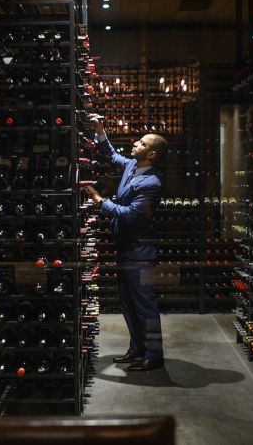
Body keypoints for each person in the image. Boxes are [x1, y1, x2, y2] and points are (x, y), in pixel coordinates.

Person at [85, 116, 168, 371]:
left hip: (140, 253)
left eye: (142, 143)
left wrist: (101, 201)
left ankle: (153, 355)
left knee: (146, 306)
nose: (135, 143)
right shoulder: (133, 165)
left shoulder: (151, 183)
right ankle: (137, 349)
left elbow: (131, 214)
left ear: (151, 154)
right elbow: (111, 155)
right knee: (129, 304)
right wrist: (100, 130)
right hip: (126, 249)